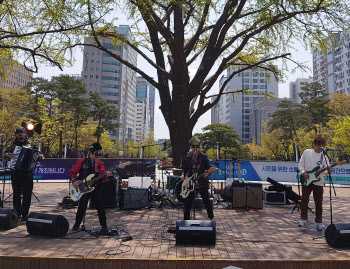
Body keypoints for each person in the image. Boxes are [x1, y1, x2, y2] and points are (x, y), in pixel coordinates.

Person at [69, 143, 112, 232]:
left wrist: (106, 175)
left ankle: (104, 226)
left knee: (100, 207)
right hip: (83, 188)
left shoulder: (99, 164)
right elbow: (72, 172)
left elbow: (103, 176)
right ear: (92, 152)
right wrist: (74, 181)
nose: (99, 154)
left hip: (96, 188)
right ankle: (77, 225)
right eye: (98, 152)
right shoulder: (82, 161)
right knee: (82, 207)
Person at [4, 127, 39, 221]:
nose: (20, 134)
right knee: (16, 194)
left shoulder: (31, 144)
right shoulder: (13, 145)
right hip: (16, 172)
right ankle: (17, 213)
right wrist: (7, 154)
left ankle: (24, 214)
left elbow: (40, 155)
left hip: (27, 172)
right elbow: (3, 153)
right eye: (18, 133)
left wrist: (37, 157)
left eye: (21, 133)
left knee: (27, 194)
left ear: (25, 134)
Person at [298, 137, 332, 231]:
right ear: (315, 145)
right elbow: (301, 164)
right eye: (318, 146)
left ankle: (319, 222)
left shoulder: (324, 156)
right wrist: (304, 172)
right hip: (307, 180)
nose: (320, 148)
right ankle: (303, 219)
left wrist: (328, 171)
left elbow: (326, 172)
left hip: (319, 182)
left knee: (319, 202)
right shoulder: (307, 152)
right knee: (304, 200)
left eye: (322, 146)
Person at [180, 137, 214, 220]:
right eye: (193, 146)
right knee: (188, 203)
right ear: (190, 147)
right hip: (191, 183)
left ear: (200, 146)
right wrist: (183, 176)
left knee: (206, 201)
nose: (195, 148)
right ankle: (186, 221)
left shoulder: (204, 157)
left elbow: (210, 167)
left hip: (202, 181)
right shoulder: (187, 157)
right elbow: (185, 169)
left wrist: (208, 173)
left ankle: (211, 219)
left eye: (197, 146)